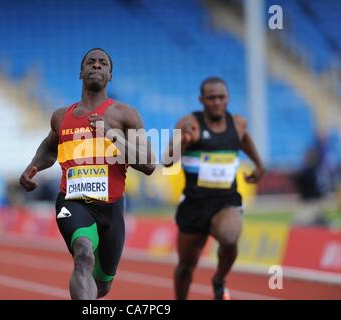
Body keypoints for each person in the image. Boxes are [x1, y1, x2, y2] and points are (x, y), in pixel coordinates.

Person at [19, 48, 155, 300]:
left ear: (110, 75)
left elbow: (148, 164)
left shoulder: (126, 115)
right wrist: (32, 167)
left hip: (112, 208)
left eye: (102, 63)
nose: (96, 66)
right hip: (72, 202)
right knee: (83, 255)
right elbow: (49, 148)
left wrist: (112, 136)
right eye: (90, 62)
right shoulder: (61, 116)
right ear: (80, 73)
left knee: (102, 285)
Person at [163, 77, 265, 300]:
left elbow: (244, 139)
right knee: (186, 266)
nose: (217, 102)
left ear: (228, 98)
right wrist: (185, 141)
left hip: (226, 200)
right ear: (202, 100)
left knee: (229, 239)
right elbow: (167, 160)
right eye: (212, 98)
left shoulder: (237, 124)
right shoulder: (189, 123)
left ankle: (219, 279)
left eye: (222, 97)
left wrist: (259, 164)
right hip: (194, 204)